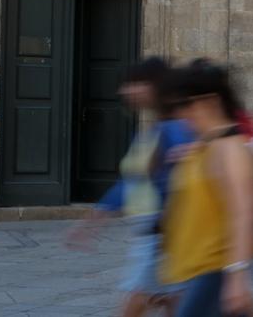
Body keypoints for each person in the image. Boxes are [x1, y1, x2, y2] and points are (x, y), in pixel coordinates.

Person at [66, 57, 193, 317]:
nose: (125, 90)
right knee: (171, 304)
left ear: (155, 86)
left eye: (135, 83)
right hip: (153, 236)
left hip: (162, 236)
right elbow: (130, 184)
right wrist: (93, 220)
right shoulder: (155, 130)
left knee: (135, 303)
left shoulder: (175, 130)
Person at [160, 59, 253, 317]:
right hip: (194, 274)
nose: (181, 113)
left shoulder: (232, 149)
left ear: (210, 101)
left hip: (215, 274)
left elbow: (245, 214)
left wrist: (237, 278)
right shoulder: (205, 144)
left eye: (186, 104)